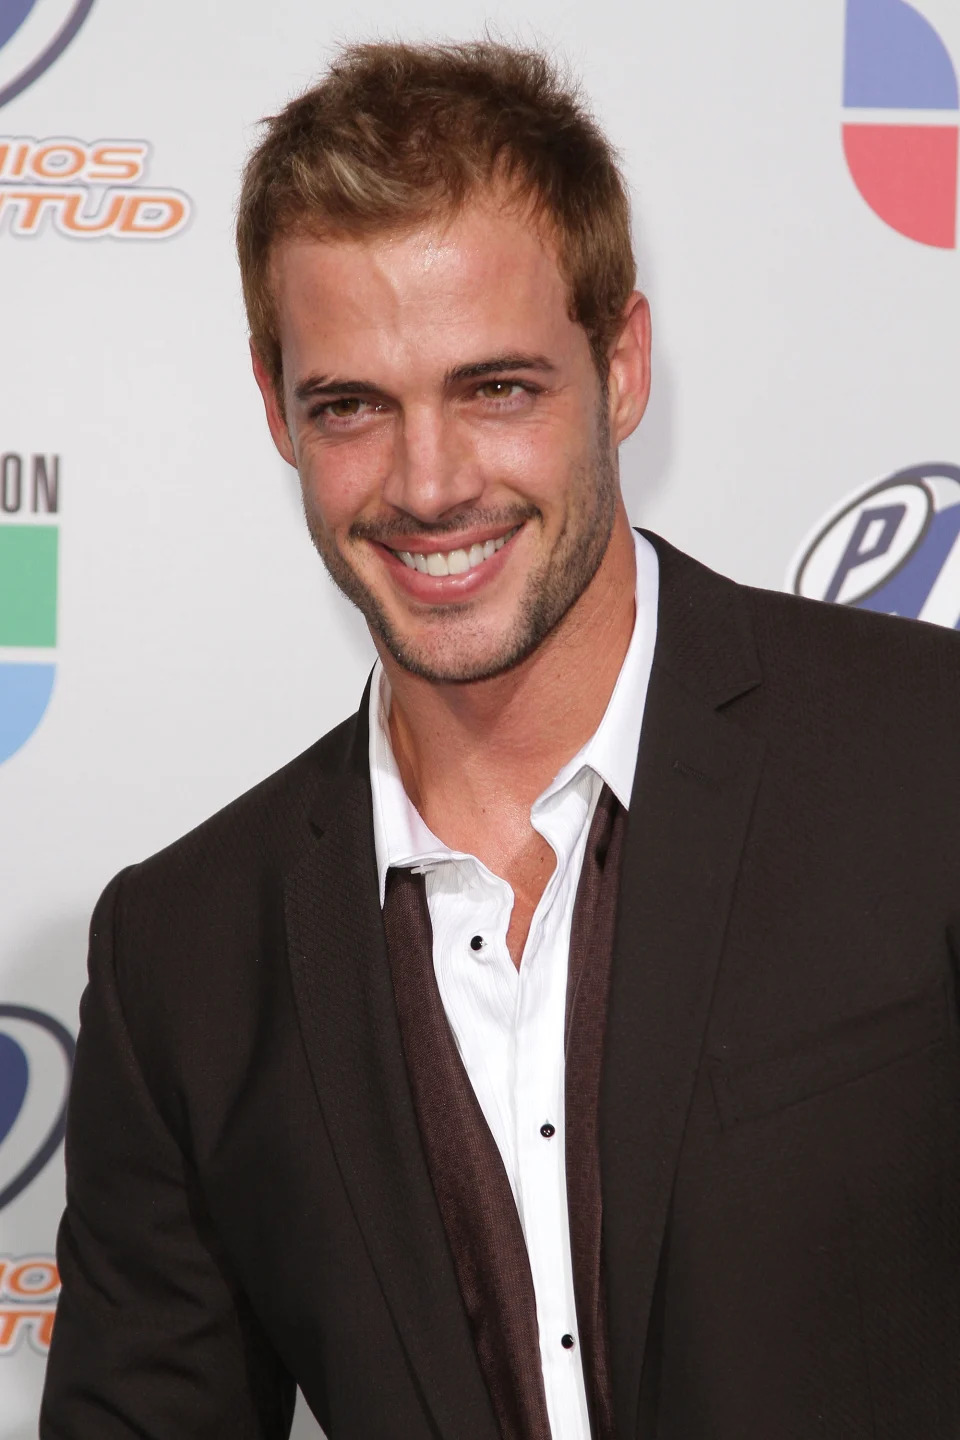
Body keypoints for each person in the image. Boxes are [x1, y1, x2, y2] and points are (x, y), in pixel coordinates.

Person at [41, 39, 960, 1440]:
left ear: (624, 363)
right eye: (350, 405)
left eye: (497, 389)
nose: (428, 483)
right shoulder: (186, 953)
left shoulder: (924, 757)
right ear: (274, 408)